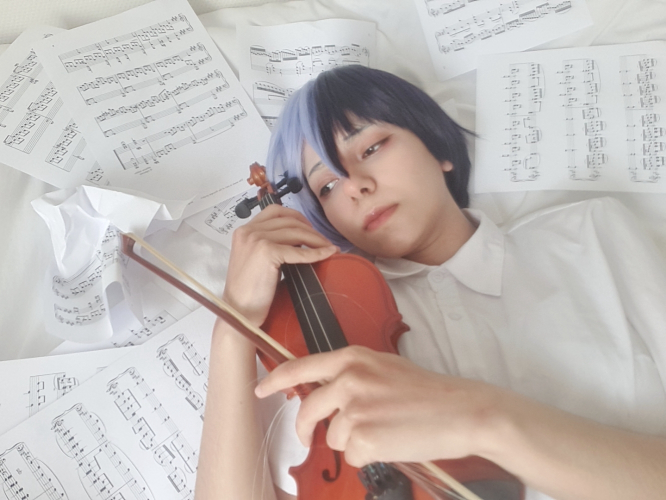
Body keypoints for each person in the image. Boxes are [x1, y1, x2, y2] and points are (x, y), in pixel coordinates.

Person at [194, 65, 666, 500]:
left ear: (438, 147)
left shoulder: (592, 234)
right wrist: (233, 326)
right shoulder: (327, 329)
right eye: (327, 187)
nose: (354, 185)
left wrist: (486, 419)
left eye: (371, 148)